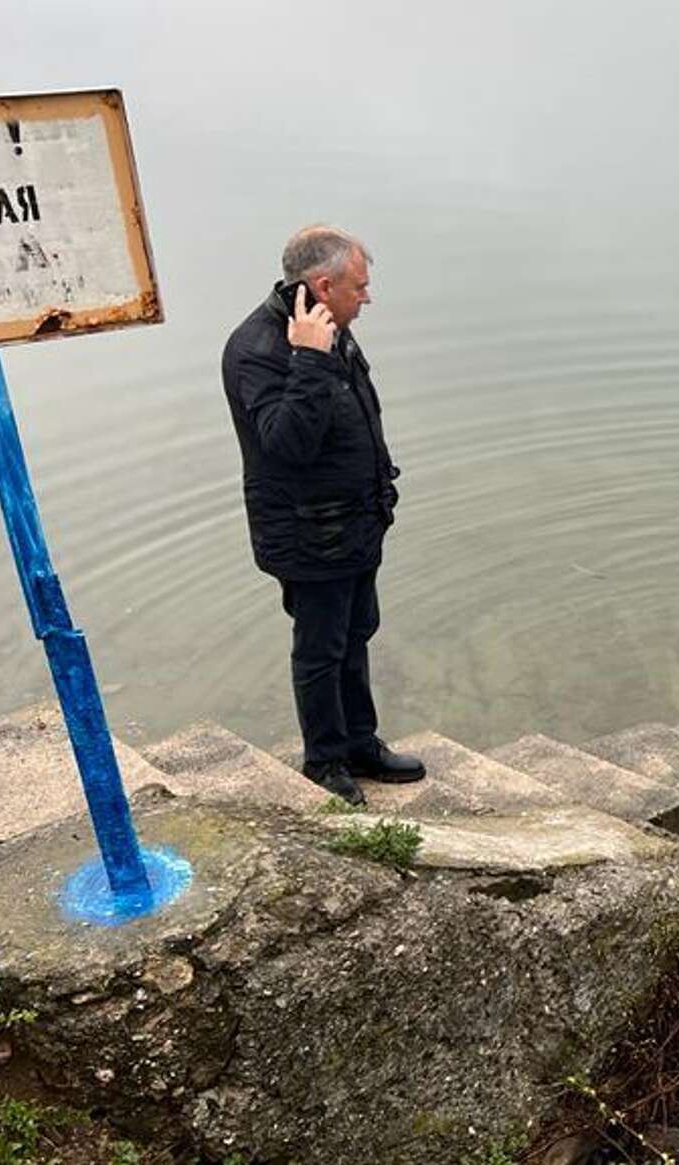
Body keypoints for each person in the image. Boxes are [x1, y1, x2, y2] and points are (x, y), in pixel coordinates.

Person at [221, 226, 423, 805]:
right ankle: (325, 761)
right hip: (307, 533)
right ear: (324, 284)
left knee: (357, 632)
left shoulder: (335, 328)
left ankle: (361, 742)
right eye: (360, 286)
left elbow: (358, 414)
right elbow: (285, 444)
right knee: (320, 648)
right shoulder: (259, 349)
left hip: (356, 521)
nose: (368, 297)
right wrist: (309, 359)